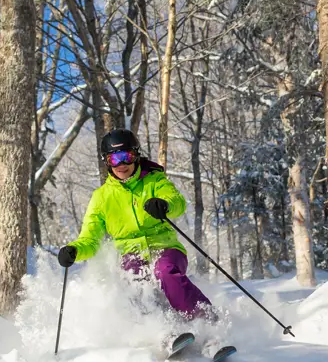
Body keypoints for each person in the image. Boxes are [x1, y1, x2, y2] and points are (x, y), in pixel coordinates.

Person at [57, 128, 213, 321]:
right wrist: (75, 250)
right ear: (106, 162)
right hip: (131, 254)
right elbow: (90, 238)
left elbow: (177, 202)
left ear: (136, 156)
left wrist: (164, 205)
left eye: (126, 157)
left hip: (166, 248)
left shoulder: (154, 181)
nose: (122, 164)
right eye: (114, 159)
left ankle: (206, 321)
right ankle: (162, 331)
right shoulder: (101, 198)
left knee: (164, 271)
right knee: (134, 277)